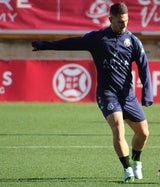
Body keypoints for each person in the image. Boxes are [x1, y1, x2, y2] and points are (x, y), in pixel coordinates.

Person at [32, 2, 153, 182]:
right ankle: (127, 169)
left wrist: (147, 93)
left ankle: (136, 162)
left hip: (128, 96)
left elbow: (144, 67)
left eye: (126, 21)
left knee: (143, 133)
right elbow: (72, 43)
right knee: (118, 128)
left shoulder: (133, 41)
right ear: (110, 19)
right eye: (120, 21)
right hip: (107, 94)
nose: (124, 25)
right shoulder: (98, 38)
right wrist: (45, 45)